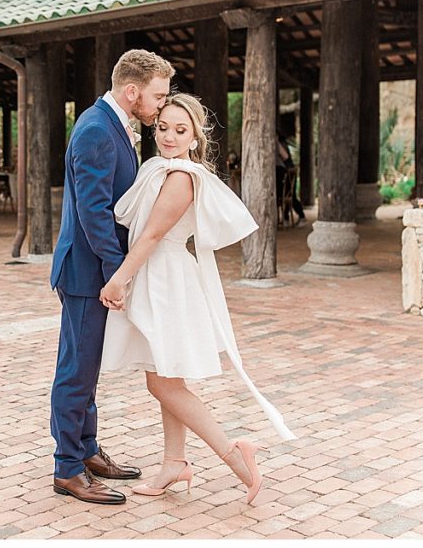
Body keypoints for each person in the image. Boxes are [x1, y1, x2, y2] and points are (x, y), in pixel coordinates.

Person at [99, 93, 297, 506]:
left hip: (166, 280)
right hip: (157, 275)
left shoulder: (182, 177)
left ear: (195, 136)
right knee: (166, 374)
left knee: (162, 383)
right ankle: (174, 462)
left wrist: (118, 280)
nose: (169, 137)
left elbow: (152, 236)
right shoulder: (159, 168)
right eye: (164, 127)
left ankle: (235, 455)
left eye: (180, 130)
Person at [48, 49, 173, 505]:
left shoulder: (112, 124)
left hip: (94, 271)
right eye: (158, 96)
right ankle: (67, 467)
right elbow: (94, 213)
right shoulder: (98, 130)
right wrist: (117, 273)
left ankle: (87, 449)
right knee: (75, 371)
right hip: (86, 273)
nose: (161, 105)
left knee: (88, 367)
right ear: (132, 91)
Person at [275, 132, 306, 224]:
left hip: (284, 173)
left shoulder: (278, 144)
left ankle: (293, 217)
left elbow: (285, 156)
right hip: (283, 173)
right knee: (286, 195)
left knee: (288, 195)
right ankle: (285, 218)